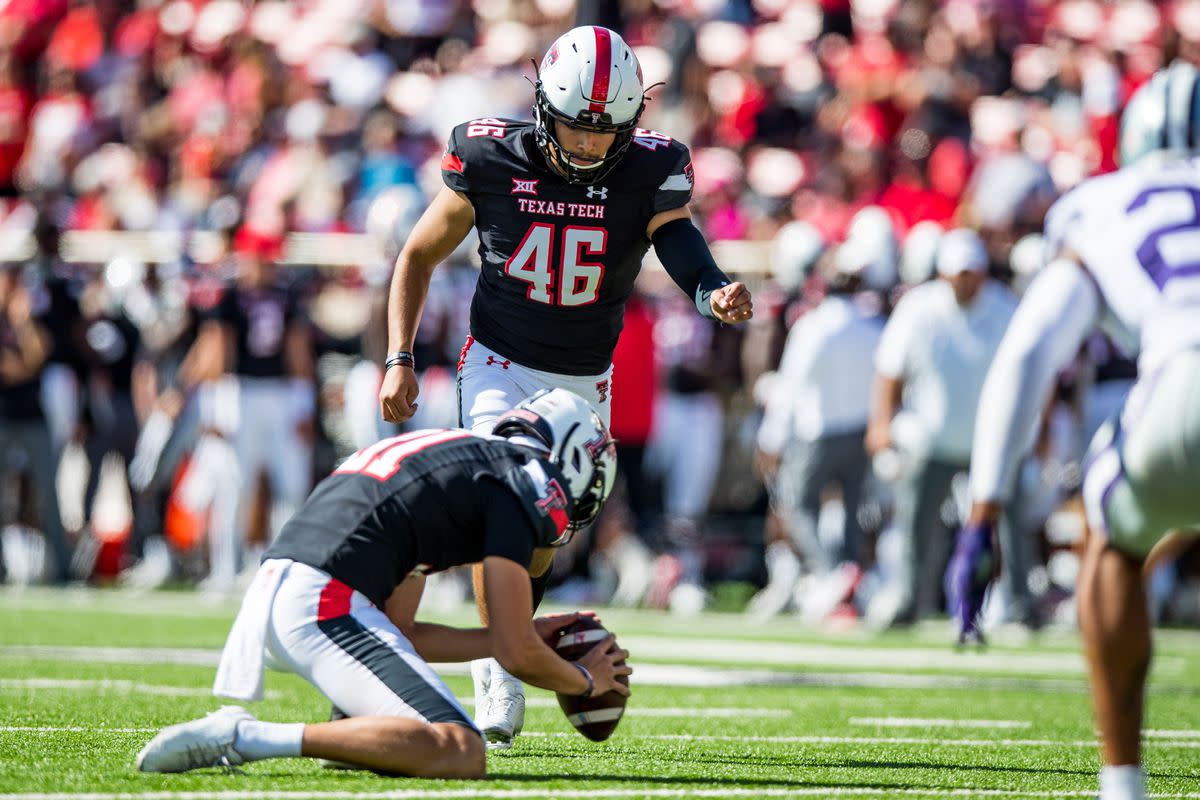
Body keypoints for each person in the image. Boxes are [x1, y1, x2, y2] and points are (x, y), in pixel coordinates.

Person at [377, 25, 753, 749]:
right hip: (499, 361)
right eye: (577, 128)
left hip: (584, 373)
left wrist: (710, 291)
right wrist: (399, 355)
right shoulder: (489, 154)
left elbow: (674, 235)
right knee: (505, 506)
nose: (588, 146)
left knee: (546, 530)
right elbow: (418, 255)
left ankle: (501, 635)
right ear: (545, 106)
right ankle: (496, 662)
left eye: (605, 131)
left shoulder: (652, 167)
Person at [135, 388, 628, 778]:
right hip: (322, 600)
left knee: (395, 739)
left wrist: (524, 639)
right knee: (461, 749)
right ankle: (246, 736)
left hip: (291, 589)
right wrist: (585, 681)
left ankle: (346, 728)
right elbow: (516, 650)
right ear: (571, 455)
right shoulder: (521, 481)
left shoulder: (463, 461)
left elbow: (404, 631)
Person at [950, 61, 1200, 800]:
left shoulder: (1100, 205)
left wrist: (985, 511)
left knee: (1110, 534)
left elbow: (1030, 352)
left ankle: (1122, 782)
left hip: (1179, 377)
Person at [865, 228, 1017, 628]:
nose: (965, 281)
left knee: (1009, 524)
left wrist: (1034, 434)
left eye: (971, 272)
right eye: (958, 273)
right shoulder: (919, 308)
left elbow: (1029, 376)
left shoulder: (1005, 309)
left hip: (989, 440)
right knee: (916, 525)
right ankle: (909, 600)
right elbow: (890, 370)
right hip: (929, 437)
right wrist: (882, 423)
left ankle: (1018, 603)